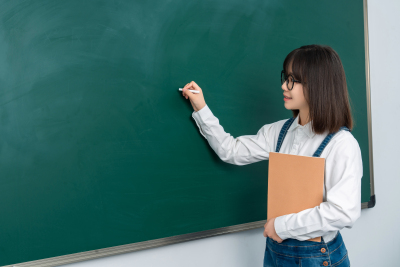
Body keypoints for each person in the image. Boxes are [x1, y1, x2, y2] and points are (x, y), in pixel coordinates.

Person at [181, 44, 362, 267]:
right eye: (286, 77)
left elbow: (343, 212)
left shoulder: (342, 144)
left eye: (293, 80)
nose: (284, 86)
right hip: (277, 251)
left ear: (318, 84)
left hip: (317, 256)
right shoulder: (279, 132)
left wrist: (280, 227)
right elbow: (231, 150)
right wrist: (201, 108)